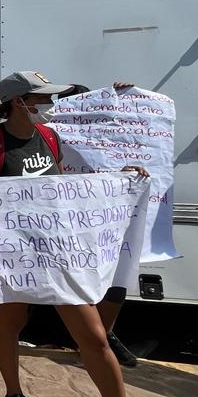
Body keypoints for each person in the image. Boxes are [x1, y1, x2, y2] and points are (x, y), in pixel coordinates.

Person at [0, 71, 178, 397]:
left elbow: (62, 188)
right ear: (19, 102)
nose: (48, 105)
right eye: (41, 98)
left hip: (56, 252)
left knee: (93, 336)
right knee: (11, 323)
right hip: (15, 255)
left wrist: (119, 180)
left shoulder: (49, 137)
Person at [58, 82, 139, 368]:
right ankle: (96, 341)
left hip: (105, 218)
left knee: (117, 282)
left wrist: (127, 173)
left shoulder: (106, 134)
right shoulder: (52, 133)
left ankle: (105, 333)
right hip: (70, 221)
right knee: (82, 285)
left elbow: (113, 164)